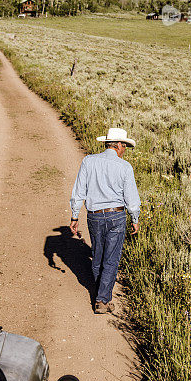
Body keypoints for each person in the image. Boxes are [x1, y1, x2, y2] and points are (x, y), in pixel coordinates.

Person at [69, 127, 140, 314]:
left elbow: (79, 191)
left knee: (98, 254)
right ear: (117, 145)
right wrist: (135, 217)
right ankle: (102, 299)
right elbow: (131, 197)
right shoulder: (125, 167)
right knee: (112, 258)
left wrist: (75, 215)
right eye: (124, 145)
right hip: (116, 215)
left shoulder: (89, 161)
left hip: (94, 215)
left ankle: (101, 292)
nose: (124, 149)